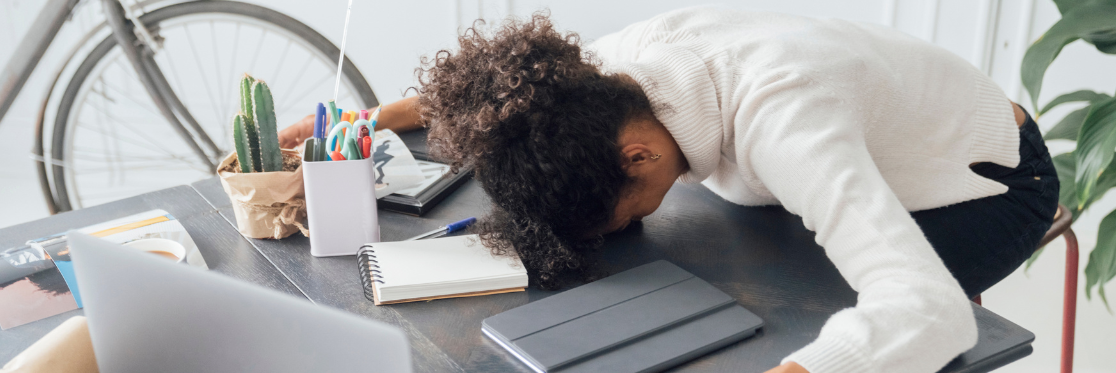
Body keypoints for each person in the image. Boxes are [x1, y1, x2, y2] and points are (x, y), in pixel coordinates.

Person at [278, 8, 1057, 373]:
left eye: (602, 214)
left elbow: (926, 308)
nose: (599, 232)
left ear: (641, 153)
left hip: (983, 182)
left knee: (828, 332)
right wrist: (367, 118)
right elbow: (521, 91)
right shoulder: (617, 78)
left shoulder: (785, 117)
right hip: (838, 150)